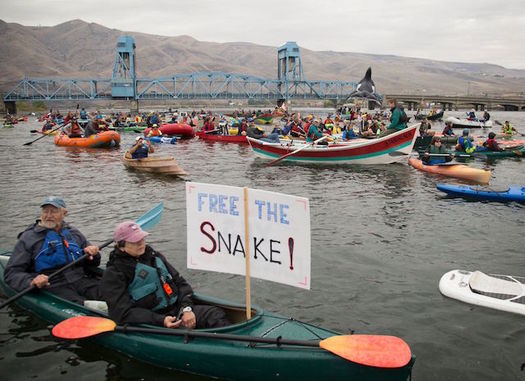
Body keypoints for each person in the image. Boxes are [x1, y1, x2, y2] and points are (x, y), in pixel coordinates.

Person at [101, 221, 231, 329]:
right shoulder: (114, 273)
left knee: (215, 314)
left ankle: (240, 347)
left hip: (177, 310)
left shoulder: (155, 257)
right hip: (152, 322)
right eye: (135, 241)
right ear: (121, 246)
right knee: (186, 336)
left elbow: (182, 285)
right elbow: (121, 314)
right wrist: (161, 320)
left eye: (142, 238)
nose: (141, 243)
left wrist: (186, 309)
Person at [4, 197, 102, 304]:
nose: (49, 215)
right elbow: (11, 273)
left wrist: (93, 254)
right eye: (45, 211)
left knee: (111, 295)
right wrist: (30, 282)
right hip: (53, 284)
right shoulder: (29, 238)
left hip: (80, 279)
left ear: (64, 213)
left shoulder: (73, 233)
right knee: (83, 305)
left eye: (54, 211)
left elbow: (94, 263)